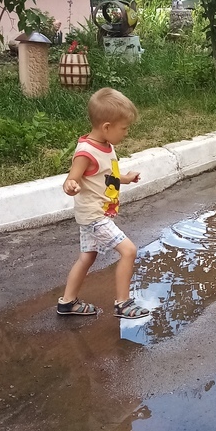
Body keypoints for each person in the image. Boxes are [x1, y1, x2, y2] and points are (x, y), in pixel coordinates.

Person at [57, 87, 151, 320]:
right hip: (93, 216)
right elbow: (72, 179)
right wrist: (71, 185)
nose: (126, 133)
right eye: (124, 128)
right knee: (129, 251)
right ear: (107, 127)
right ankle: (123, 304)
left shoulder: (107, 146)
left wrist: (125, 178)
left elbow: (106, 174)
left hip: (96, 214)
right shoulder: (86, 152)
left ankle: (67, 303)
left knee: (87, 257)